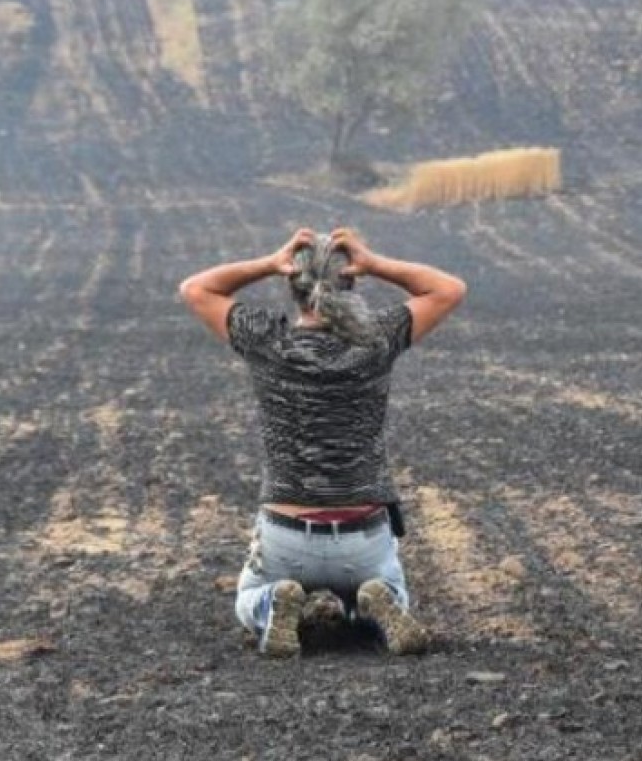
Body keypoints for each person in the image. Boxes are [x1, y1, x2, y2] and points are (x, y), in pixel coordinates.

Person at [178, 228, 467, 657]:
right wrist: (374, 261)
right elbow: (448, 289)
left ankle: (272, 603)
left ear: (292, 286)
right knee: (391, 589)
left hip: (286, 534)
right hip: (362, 535)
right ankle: (372, 601)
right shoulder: (376, 340)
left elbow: (195, 288)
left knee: (246, 599)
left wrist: (269, 262)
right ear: (350, 282)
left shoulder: (267, 340)